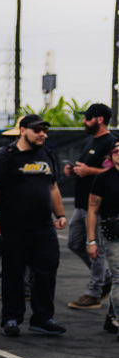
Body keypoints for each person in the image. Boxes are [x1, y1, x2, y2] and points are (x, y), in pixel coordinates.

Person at [0, 114, 68, 337]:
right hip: (13, 228)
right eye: (37, 130)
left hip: (43, 227)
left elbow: (53, 187)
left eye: (44, 130)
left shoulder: (46, 154)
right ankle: (11, 318)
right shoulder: (4, 157)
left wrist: (60, 214)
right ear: (23, 131)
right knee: (13, 273)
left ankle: (43, 318)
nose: (42, 134)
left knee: (46, 272)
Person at [62, 103, 115, 310]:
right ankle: (105, 278)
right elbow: (86, 168)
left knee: (96, 249)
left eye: (88, 118)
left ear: (100, 119)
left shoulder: (111, 143)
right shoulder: (90, 141)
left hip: (98, 206)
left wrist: (89, 171)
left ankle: (95, 293)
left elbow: (113, 172)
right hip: (81, 203)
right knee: (75, 243)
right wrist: (74, 170)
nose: (84, 121)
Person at [85, 143, 119, 335]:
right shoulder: (103, 179)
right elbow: (92, 210)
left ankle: (112, 316)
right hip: (114, 235)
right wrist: (91, 241)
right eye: (115, 151)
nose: (118, 154)